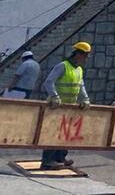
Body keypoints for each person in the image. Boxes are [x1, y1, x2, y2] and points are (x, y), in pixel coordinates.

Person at [40, 42, 92, 170]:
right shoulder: (63, 66)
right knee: (53, 133)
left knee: (66, 134)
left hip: (70, 107)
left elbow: (81, 86)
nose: (86, 59)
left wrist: (85, 99)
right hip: (57, 107)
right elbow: (49, 82)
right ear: (78, 54)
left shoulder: (79, 70)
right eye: (85, 56)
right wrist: (54, 96)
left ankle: (60, 157)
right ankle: (47, 161)